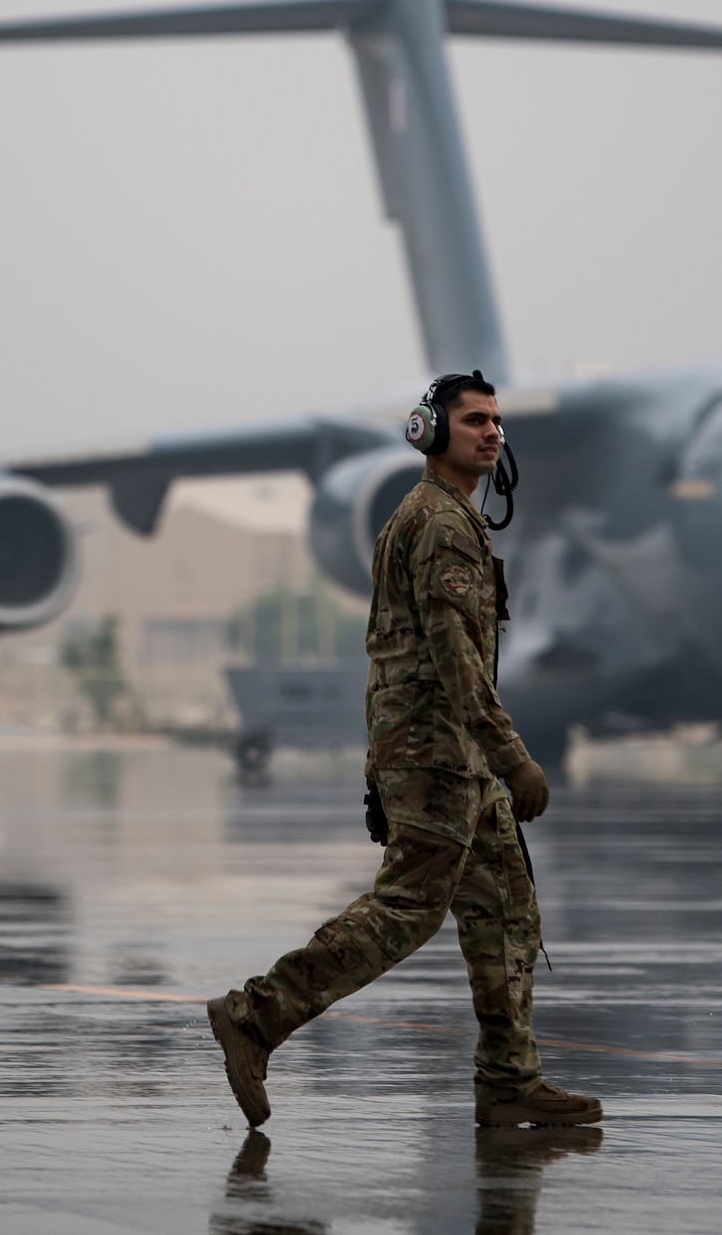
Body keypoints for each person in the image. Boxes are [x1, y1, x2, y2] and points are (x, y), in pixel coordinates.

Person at [207, 370, 600, 1130]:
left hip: (448, 756)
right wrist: (512, 753)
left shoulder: (440, 516)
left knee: (507, 908)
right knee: (405, 913)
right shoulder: (442, 524)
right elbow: (456, 659)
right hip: (438, 758)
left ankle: (510, 1078)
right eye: (474, 420)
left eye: (496, 421)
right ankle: (254, 1016)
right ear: (429, 431)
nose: (492, 431)